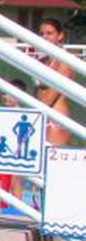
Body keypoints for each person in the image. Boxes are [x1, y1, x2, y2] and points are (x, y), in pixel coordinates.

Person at [37, 18, 75, 147]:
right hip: (41, 114)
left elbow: (50, 97)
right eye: (42, 33)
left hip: (56, 119)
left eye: (49, 33)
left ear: (60, 36)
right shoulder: (42, 61)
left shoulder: (64, 62)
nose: (44, 37)